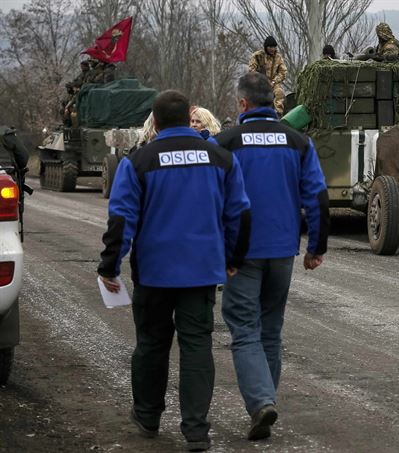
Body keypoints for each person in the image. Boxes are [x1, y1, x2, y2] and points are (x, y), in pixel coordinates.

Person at [97, 89, 251, 452]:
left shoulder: (138, 161)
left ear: (156, 120)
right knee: (197, 346)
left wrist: (110, 264)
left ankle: (148, 415)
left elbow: (121, 218)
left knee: (151, 343)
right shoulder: (221, 158)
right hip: (201, 271)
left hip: (154, 272)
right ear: (187, 118)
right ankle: (196, 430)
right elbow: (240, 214)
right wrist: (233, 259)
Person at [214, 72, 329, 441]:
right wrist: (316, 247)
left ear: (243, 104)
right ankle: (266, 402)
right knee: (271, 330)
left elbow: (210, 197)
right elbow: (318, 196)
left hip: (241, 253)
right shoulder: (298, 141)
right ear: (273, 104)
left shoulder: (226, 142)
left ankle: (262, 402)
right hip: (282, 252)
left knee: (244, 329)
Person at [248, 36, 287, 115]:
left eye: (274, 47)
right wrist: (262, 80)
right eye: (270, 47)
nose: (272, 49)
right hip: (260, 83)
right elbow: (251, 70)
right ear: (266, 47)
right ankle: (257, 114)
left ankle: (279, 114)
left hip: (273, 82)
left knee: (279, 92)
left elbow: (283, 72)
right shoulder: (258, 56)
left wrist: (274, 81)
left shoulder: (278, 57)